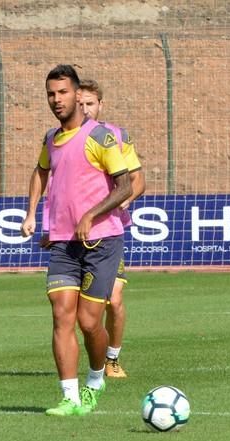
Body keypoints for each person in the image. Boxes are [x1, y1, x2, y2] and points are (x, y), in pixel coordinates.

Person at [21, 64, 131, 416]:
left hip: (102, 241)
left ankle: (96, 379)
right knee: (61, 316)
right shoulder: (50, 139)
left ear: (76, 96)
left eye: (63, 93)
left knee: (88, 322)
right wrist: (32, 213)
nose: (57, 100)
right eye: (51, 94)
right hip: (63, 245)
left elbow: (125, 186)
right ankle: (69, 397)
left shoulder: (101, 137)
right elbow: (40, 172)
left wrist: (90, 215)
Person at [78, 79, 146, 378]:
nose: (84, 109)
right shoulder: (61, 139)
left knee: (114, 299)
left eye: (90, 103)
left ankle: (112, 359)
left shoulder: (116, 136)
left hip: (109, 232)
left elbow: (137, 178)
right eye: (80, 103)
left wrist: (122, 202)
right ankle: (80, 365)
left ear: (100, 105)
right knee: (74, 308)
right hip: (74, 234)